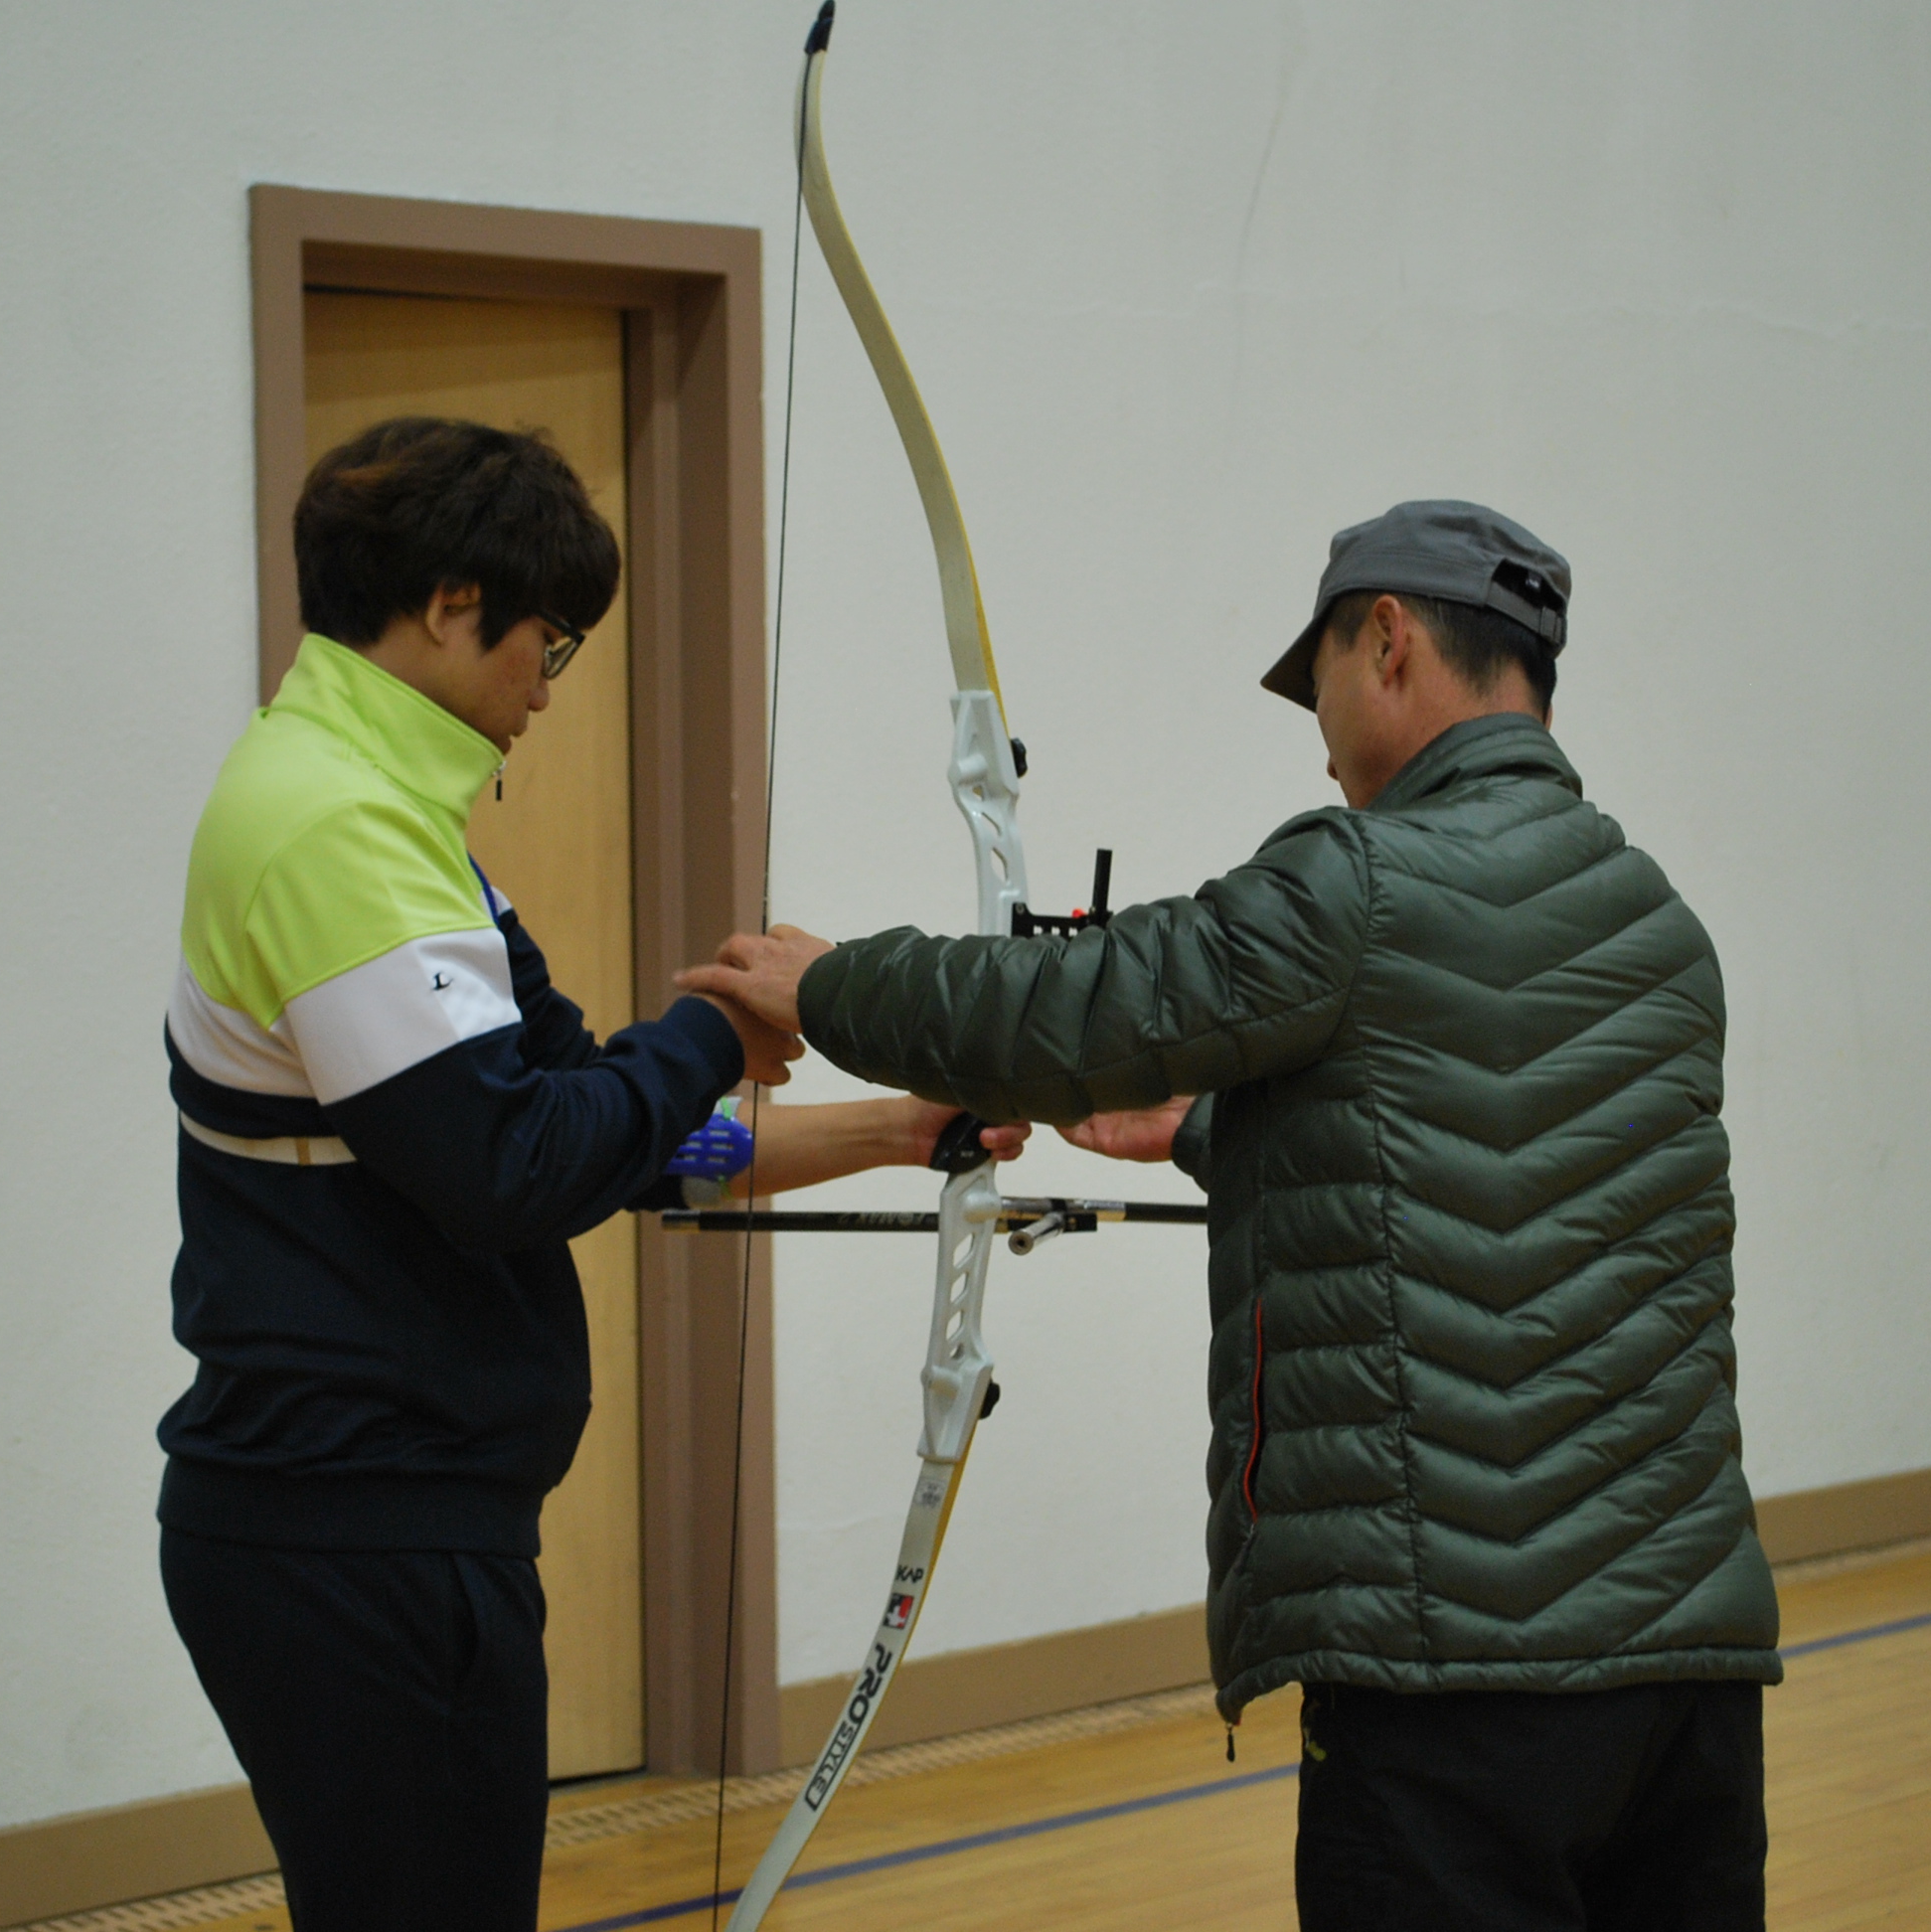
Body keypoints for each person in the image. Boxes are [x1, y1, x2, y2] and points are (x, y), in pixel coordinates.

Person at [682, 501, 1781, 1930]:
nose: (1318, 739)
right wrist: (1210, 1123)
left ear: (1388, 640)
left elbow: (1075, 1009)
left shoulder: (1357, 879)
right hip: (1689, 1680)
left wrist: (831, 988)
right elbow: (1481, 1156)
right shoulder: (1657, 922)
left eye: (1317, 683)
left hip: (1448, 1684)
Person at [155, 414, 1026, 1932]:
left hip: (399, 1523)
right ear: (449, 607)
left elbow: (613, 1145)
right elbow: (515, 1166)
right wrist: (709, 1031)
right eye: (545, 646)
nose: (547, 691)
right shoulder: (332, 825)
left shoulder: (390, 819)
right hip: (346, 1528)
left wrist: (899, 1127)